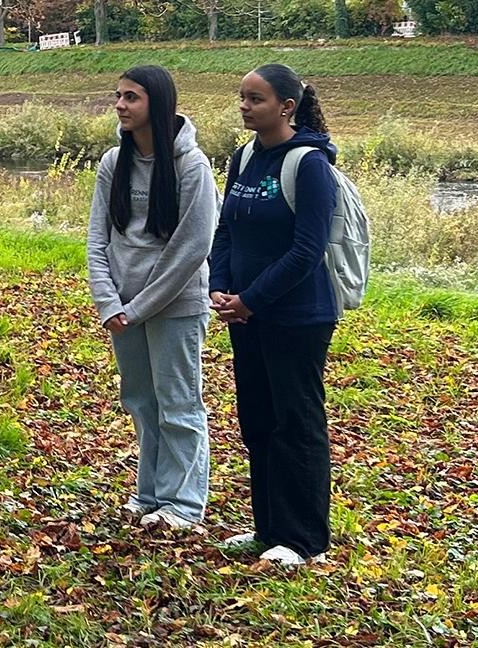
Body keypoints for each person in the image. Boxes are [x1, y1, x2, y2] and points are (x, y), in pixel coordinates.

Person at [208, 63, 337, 567]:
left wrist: (253, 298)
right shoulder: (243, 157)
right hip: (246, 314)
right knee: (257, 420)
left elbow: (307, 250)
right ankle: (268, 529)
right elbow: (227, 230)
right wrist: (221, 286)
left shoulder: (309, 164)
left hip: (297, 317)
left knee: (296, 423)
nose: (244, 106)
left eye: (255, 99)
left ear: (286, 107)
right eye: (241, 97)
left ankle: (304, 539)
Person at [85, 65, 222, 530]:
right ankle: (150, 496)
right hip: (122, 308)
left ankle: (183, 505)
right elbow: (98, 240)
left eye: (131, 97)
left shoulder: (191, 165)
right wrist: (109, 303)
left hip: (175, 306)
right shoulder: (112, 163)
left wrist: (137, 308)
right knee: (141, 400)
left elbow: (191, 248)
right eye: (118, 96)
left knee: (178, 402)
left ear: (157, 104)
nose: (120, 105)